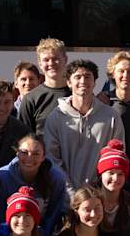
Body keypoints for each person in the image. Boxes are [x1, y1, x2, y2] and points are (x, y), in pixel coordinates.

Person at [42, 58, 123, 188]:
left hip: (99, 198)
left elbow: (117, 158)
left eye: (87, 76)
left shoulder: (111, 116)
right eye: (77, 77)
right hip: (65, 197)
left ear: (95, 82)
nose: (83, 81)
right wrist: (70, 193)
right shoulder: (55, 118)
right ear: (68, 82)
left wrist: (99, 193)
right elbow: (52, 160)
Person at [0, 132, 71, 236]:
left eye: (36, 154)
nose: (29, 158)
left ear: (43, 157)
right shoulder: (3, 177)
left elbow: (54, 214)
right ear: (17, 153)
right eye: (24, 152)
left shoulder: (56, 178)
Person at [17, 37, 72, 136]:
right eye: (46, 60)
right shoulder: (30, 100)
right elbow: (24, 141)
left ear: (65, 59)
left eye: (56, 59)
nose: (51, 63)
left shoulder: (79, 94)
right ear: (40, 64)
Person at [94, 141, 130, 228]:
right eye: (110, 173)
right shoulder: (91, 199)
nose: (115, 178)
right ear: (101, 174)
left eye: (120, 174)